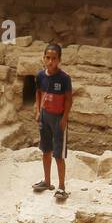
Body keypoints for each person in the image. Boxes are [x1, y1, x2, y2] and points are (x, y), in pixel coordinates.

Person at [33, 43, 72, 200]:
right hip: (45, 116)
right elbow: (38, 92)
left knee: (58, 154)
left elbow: (69, 100)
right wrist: (37, 110)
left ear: (59, 60)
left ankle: (62, 187)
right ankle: (47, 181)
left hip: (58, 119)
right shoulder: (40, 76)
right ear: (44, 58)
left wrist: (64, 118)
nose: (50, 62)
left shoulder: (64, 79)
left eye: (54, 58)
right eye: (48, 58)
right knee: (46, 150)